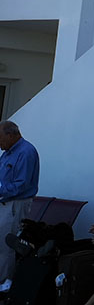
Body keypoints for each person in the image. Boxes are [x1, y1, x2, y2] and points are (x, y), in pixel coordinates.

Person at [0, 120, 40, 293]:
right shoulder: (8, 153)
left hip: (15, 203)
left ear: (11, 135)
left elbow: (21, 184)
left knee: (7, 243)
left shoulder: (26, 152)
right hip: (5, 201)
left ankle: (6, 282)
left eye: (0, 139)